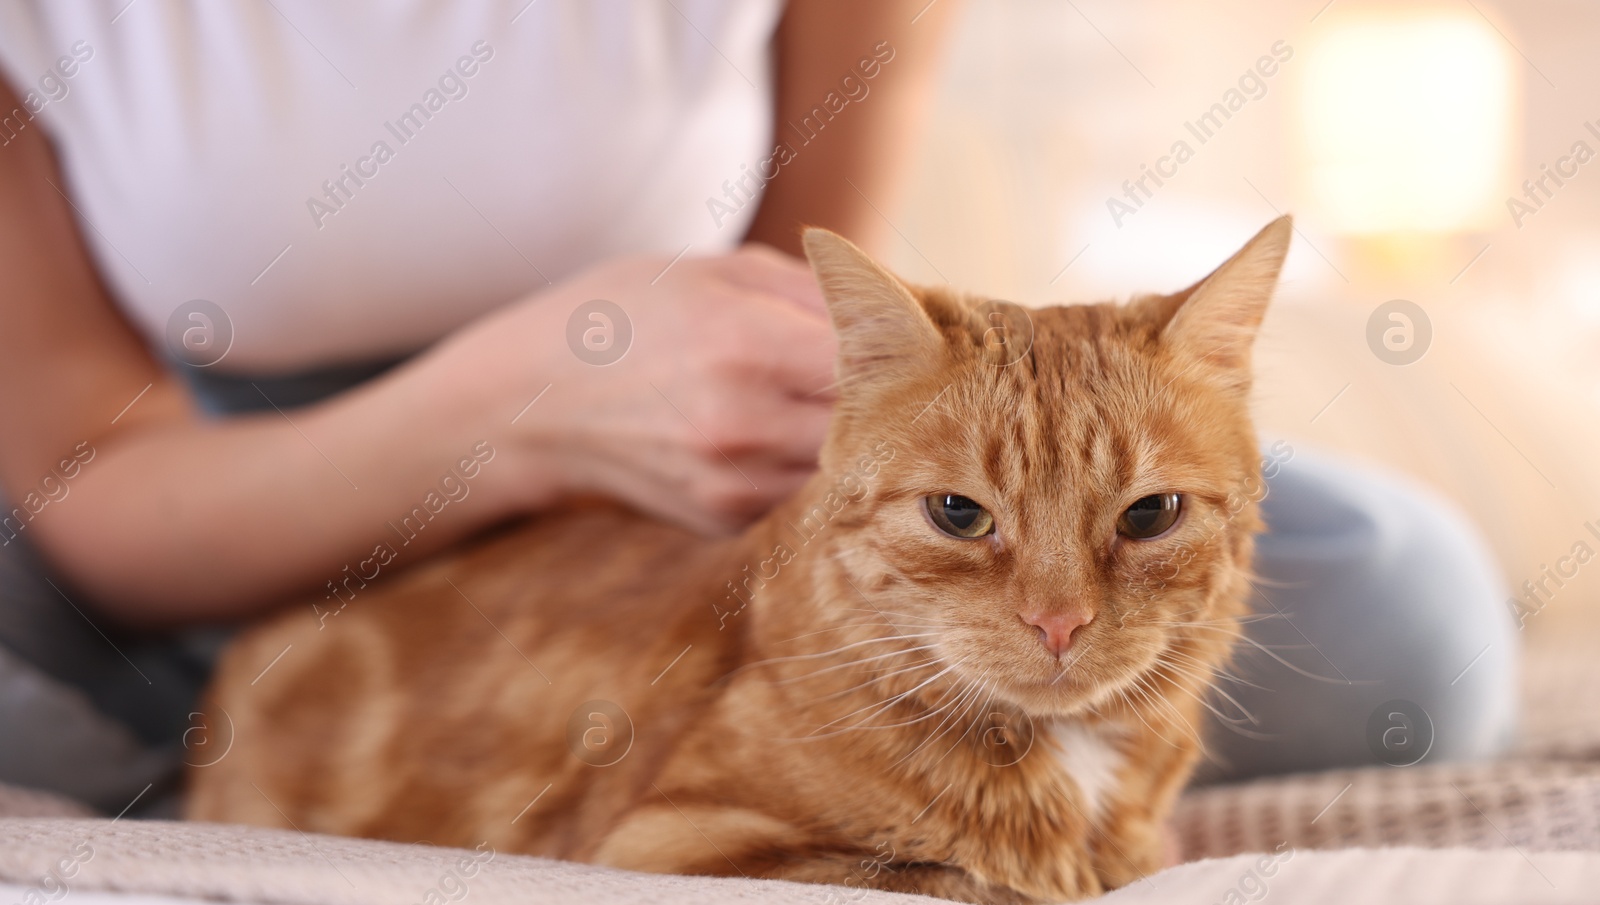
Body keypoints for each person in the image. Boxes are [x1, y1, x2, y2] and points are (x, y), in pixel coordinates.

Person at [0, 0, 1514, 819]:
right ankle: (226, 727)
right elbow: (88, 480)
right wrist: (518, 409)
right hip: (219, 501)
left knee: (1403, 608)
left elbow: (836, 313)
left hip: (677, 463)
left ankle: (194, 751)